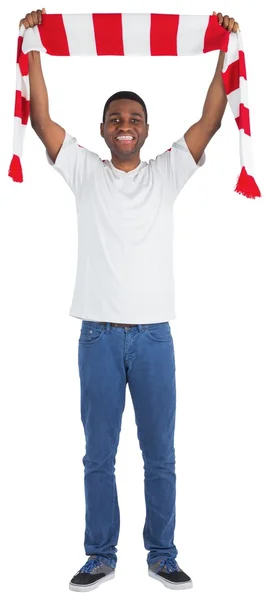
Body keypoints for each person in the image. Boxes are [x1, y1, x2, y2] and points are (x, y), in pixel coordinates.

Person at [20, 8, 239, 592]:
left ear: (145, 130)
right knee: (98, 455)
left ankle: (162, 553)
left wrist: (226, 48)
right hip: (97, 336)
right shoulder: (85, 172)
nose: (125, 124)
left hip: (153, 339)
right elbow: (42, 119)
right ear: (103, 128)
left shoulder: (166, 173)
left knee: (160, 455)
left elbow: (211, 118)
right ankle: (100, 555)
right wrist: (32, 43)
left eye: (134, 119)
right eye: (116, 117)